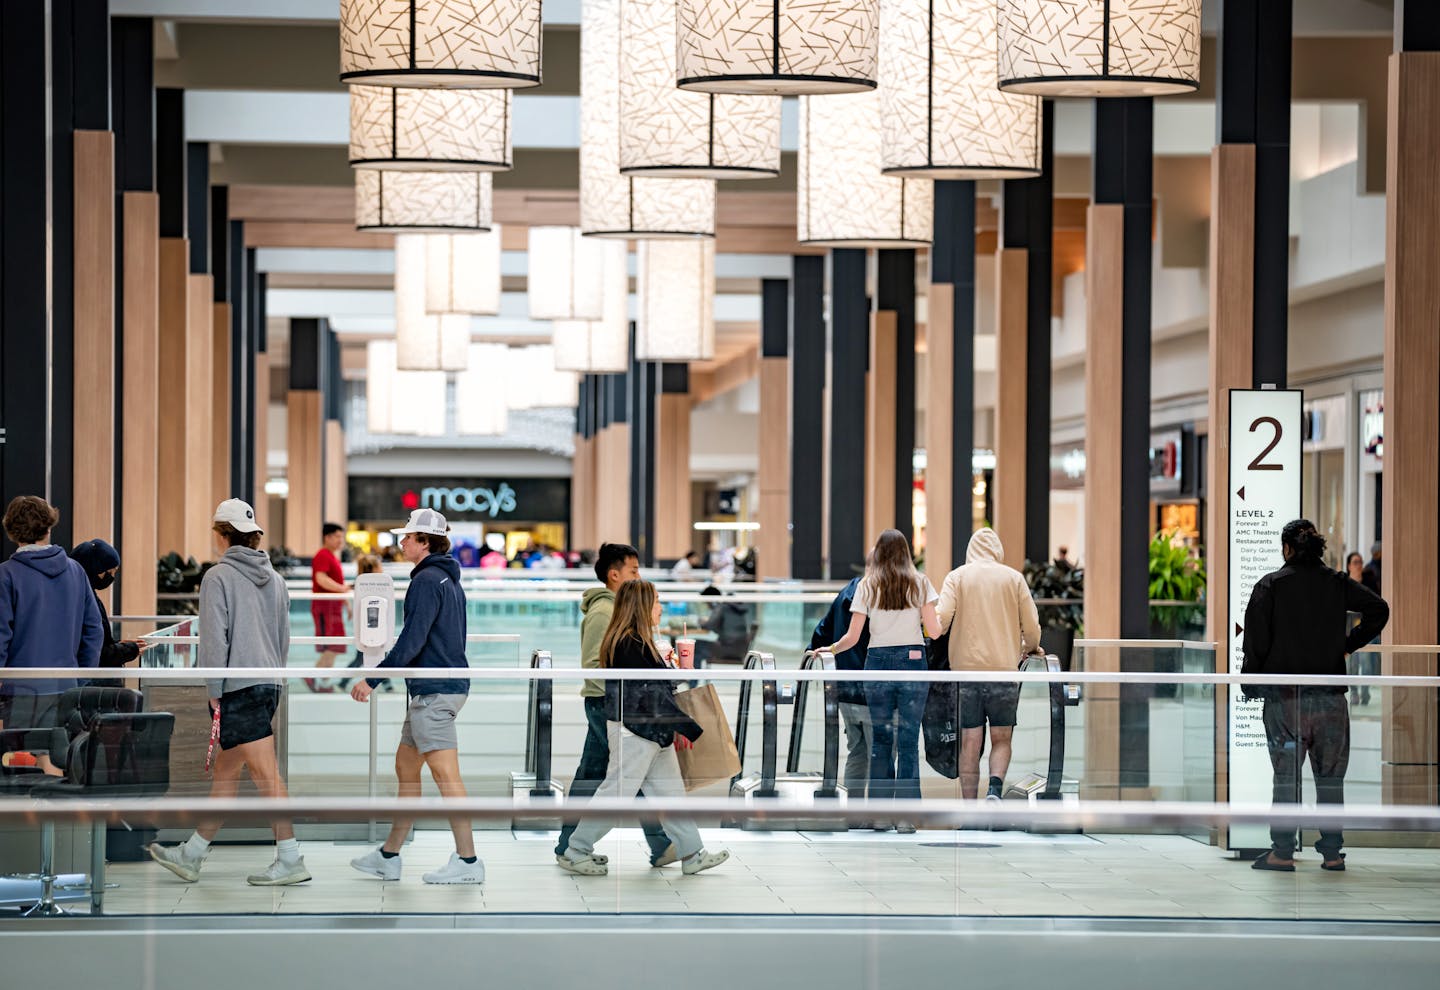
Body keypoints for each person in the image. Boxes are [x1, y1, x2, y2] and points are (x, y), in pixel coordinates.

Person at [149, 499, 309, 886]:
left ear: (222, 535)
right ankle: (192, 854)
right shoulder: (277, 579)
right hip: (268, 682)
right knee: (226, 772)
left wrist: (213, 688)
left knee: (266, 774)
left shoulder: (218, 577)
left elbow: (214, 641)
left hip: (238, 685)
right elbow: (284, 638)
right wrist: (275, 679)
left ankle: (290, 859)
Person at [349, 508, 485, 885]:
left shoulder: (427, 580)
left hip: (435, 692)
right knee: (406, 770)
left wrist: (372, 679)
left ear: (425, 542)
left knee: (446, 776)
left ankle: (469, 861)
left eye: (408, 536)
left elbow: (413, 639)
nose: (402, 541)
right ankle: (389, 855)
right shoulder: (448, 581)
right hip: (436, 688)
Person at [1244, 519, 1388, 873]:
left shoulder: (1271, 586)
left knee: (1285, 778)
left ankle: (1282, 852)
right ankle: (1332, 853)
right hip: (1330, 698)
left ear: (1287, 548)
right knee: (1330, 780)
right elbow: (1378, 611)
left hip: (1285, 700)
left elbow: (1255, 646)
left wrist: (1251, 685)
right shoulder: (1337, 584)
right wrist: (1347, 646)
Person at [559, 579, 729, 877]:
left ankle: (692, 853)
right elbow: (649, 695)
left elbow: (653, 688)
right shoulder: (630, 643)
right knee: (616, 794)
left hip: (649, 730)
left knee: (670, 793)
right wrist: (687, 727)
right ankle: (577, 849)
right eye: (656, 601)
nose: (661, 607)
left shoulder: (635, 641)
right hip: (636, 730)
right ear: (641, 607)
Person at [554, 543, 675, 868]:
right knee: (631, 773)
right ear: (614, 575)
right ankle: (661, 844)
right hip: (606, 702)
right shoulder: (604, 612)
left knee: (596, 773)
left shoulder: (616, 610)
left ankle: (569, 845)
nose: (639, 576)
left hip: (610, 701)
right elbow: (595, 663)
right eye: (634, 571)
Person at [821, 530, 941, 834]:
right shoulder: (920, 582)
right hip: (913, 663)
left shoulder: (867, 585)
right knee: (909, 742)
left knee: (881, 743)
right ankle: (905, 817)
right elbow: (935, 631)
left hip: (876, 664)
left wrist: (829, 649)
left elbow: (852, 637)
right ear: (906, 552)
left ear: (879, 554)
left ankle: (879, 815)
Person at [936, 528, 1042, 802]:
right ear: (998, 551)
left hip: (966, 675)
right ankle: (994, 789)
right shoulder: (1014, 579)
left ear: (970, 550)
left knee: (970, 742)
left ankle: (970, 808)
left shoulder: (957, 577)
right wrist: (1030, 647)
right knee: (1001, 738)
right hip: (1004, 673)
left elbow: (942, 619)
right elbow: (1031, 627)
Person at [0, 496, 103, 729]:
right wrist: (80, 677)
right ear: (48, 527)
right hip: (67, 686)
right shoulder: (75, 570)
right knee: (55, 753)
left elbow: (1, 635)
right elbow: (93, 630)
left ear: (12, 531)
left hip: (20, 689)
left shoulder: (6, 575)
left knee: (23, 756)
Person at [809, 576, 871, 798]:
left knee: (857, 751)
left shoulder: (846, 591)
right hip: (872, 687)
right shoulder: (878, 593)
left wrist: (812, 651)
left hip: (844, 686)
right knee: (879, 753)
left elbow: (823, 629)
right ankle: (878, 815)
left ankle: (853, 813)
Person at [69, 539, 149, 667]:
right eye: (109, 572)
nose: (111, 577)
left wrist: (118, 645)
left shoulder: (81, 594)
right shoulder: (82, 600)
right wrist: (128, 650)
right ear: (94, 568)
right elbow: (95, 652)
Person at [308, 522, 351, 692]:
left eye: (342, 537)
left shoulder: (332, 556)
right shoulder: (323, 555)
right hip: (325, 608)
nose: (341, 540)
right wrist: (342, 590)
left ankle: (323, 682)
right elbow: (321, 578)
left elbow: (337, 582)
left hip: (333, 608)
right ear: (327, 537)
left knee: (336, 645)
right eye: (338, 537)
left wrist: (346, 601)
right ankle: (313, 677)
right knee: (331, 646)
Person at [1344, 552, 1377, 706]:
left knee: (1367, 663)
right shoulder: (1344, 583)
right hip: (1349, 629)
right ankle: (1355, 693)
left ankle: (1365, 692)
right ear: (1349, 565)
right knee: (1352, 664)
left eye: (1360, 562)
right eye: (1355, 562)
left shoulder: (1368, 583)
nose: (1359, 565)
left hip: (1365, 630)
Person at [699, 584, 754, 663]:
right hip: (740, 649)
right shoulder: (733, 606)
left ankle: (693, 675)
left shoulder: (722, 607)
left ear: (712, 600)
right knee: (701, 645)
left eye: (707, 602)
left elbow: (709, 626)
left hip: (727, 650)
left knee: (697, 646)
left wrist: (701, 622)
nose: (707, 605)